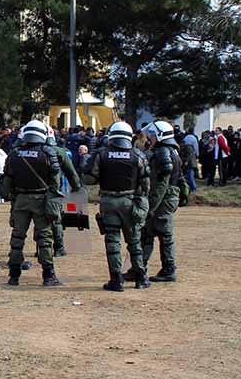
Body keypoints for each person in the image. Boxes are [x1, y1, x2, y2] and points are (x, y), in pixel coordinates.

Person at [82, 121, 151, 291]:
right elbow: (146, 184)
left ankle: (116, 280)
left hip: (108, 202)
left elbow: (89, 179)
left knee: (112, 241)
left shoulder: (101, 155)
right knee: (134, 241)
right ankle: (141, 278)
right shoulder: (138, 156)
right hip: (130, 202)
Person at [0, 120, 62, 286]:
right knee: (44, 238)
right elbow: (55, 183)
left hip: (20, 199)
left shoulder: (15, 154)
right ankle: (48, 275)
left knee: (17, 237)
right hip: (41, 200)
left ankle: (14, 275)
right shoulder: (49, 153)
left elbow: (7, 181)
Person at [138, 121, 182, 282]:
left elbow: (161, 184)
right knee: (150, 232)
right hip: (168, 197)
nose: (150, 137)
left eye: (152, 134)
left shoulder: (163, 152)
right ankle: (139, 267)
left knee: (162, 233)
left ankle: (167, 269)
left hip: (163, 199)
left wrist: (150, 206)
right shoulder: (172, 150)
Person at [46, 129, 81, 257]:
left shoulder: (34, 150)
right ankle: (59, 247)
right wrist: (76, 188)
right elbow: (71, 172)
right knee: (56, 220)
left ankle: (41, 247)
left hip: (36, 191)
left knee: (40, 221)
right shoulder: (60, 151)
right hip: (55, 191)